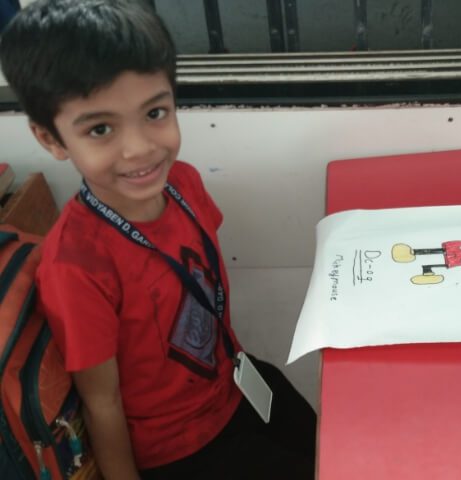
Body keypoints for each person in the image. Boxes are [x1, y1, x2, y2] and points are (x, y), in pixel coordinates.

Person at [0, 1, 316, 478]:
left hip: (235, 383)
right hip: (179, 448)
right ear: (51, 139)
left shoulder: (184, 182)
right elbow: (102, 401)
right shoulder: (75, 265)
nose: (141, 148)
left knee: (338, 445)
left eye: (154, 112)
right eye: (101, 129)